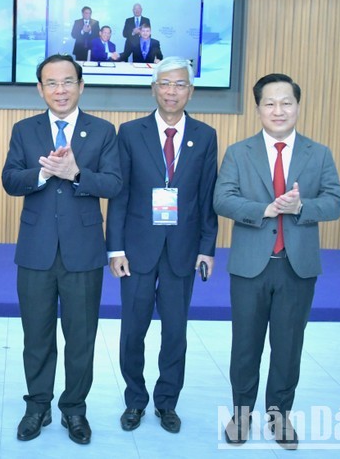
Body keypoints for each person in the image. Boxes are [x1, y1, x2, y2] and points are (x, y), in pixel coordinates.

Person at [215, 74, 340, 449]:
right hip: (250, 267)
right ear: (258, 109)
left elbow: (335, 202)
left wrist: (302, 205)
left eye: (286, 102)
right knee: (245, 346)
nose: (278, 110)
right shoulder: (239, 152)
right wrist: (264, 209)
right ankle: (241, 415)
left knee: (288, 346)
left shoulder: (318, 153)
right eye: (270, 103)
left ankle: (279, 417)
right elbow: (222, 199)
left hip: (296, 267)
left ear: (298, 107)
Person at [2, 54, 122, 445]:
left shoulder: (102, 131)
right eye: (51, 83)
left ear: (81, 86)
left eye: (68, 82)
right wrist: (42, 173)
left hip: (83, 251)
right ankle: (37, 406)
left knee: (81, 336)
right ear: (40, 89)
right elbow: (10, 180)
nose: (60, 90)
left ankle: (74, 410)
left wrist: (76, 175)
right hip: (35, 251)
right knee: (36, 336)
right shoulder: (25, 129)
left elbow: (114, 184)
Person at [106, 56, 218, 435]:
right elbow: (119, 196)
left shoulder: (204, 135)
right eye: (165, 84)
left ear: (191, 91)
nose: (172, 91)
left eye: (180, 84)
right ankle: (135, 401)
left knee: (175, 332)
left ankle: (167, 402)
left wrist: (207, 247)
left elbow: (207, 197)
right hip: (137, 250)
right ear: (153, 88)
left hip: (182, 250)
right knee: (132, 330)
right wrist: (115, 249)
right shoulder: (130, 132)